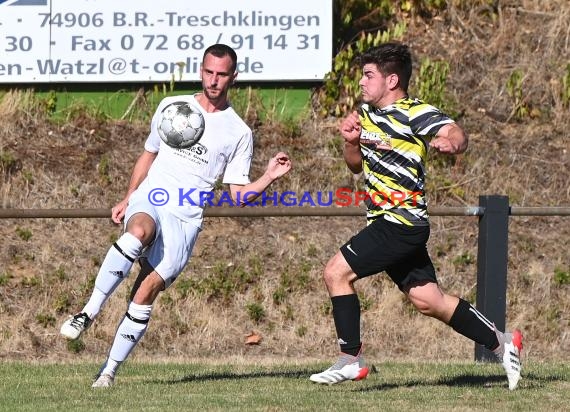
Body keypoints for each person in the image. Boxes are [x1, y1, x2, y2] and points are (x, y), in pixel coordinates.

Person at [60, 43, 292, 388]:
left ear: (234, 77)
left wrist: (269, 176)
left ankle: (108, 372)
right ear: (201, 71)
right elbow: (148, 154)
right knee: (137, 232)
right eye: (208, 72)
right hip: (152, 197)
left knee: (145, 292)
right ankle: (87, 312)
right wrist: (127, 198)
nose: (214, 80)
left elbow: (238, 196)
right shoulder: (173, 106)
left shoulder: (239, 132)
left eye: (222, 74)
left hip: (185, 218)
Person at [308, 42, 523, 390]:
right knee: (428, 300)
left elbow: (455, 132)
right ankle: (503, 342)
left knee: (335, 272)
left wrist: (453, 142)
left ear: (391, 80)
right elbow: (355, 168)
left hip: (401, 223)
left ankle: (351, 359)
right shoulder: (365, 115)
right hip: (385, 222)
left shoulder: (414, 112)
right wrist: (350, 142)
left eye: (368, 75)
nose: (361, 83)